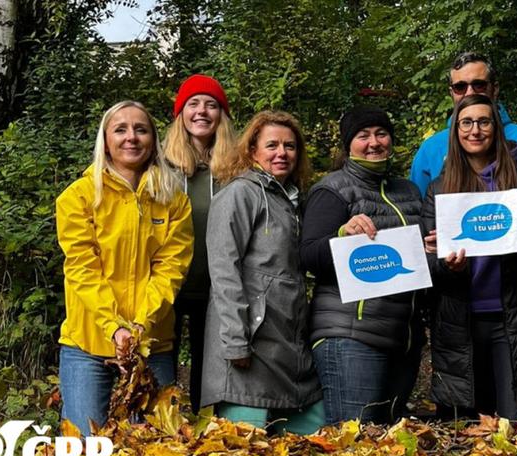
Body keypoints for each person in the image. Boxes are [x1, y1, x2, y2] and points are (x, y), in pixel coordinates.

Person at [421, 94, 517, 422]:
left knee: (514, 423)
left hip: (513, 316)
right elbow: (430, 261)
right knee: (465, 424)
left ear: (496, 128)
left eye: (484, 121)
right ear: (456, 131)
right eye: (466, 123)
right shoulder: (440, 188)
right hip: (460, 320)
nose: (475, 130)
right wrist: (446, 263)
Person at [56, 100, 193, 436]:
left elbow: (171, 269)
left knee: (155, 453)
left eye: (140, 129)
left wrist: (139, 328)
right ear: (106, 140)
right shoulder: (79, 197)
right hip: (86, 345)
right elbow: (82, 270)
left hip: (152, 344)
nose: (131, 137)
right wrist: (114, 327)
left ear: (153, 140)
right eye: (121, 129)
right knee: (85, 454)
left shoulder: (174, 199)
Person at [200, 111, 324, 435]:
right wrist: (235, 341)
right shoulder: (240, 193)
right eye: (272, 145)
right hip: (250, 345)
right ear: (252, 150)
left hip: (288, 344)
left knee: (309, 452)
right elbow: (224, 270)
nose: (281, 153)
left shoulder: (292, 200)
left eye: (290, 146)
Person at [300, 105, 423, 424]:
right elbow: (309, 255)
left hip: (402, 338)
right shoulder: (331, 189)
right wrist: (343, 235)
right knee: (354, 447)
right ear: (347, 145)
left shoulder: (408, 191)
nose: (374, 142)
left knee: (389, 445)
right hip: (350, 337)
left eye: (381, 133)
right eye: (363, 135)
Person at [410, 51, 517, 229]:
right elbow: (419, 221)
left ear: (494, 88)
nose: (469, 92)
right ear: (452, 93)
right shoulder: (430, 149)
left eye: (479, 85)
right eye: (460, 87)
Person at [163, 74, 237, 412]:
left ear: (222, 115)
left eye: (211, 104)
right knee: (162, 368)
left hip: (218, 287)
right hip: (169, 284)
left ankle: (205, 434)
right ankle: (158, 434)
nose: (202, 111)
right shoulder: (160, 167)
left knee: (209, 373)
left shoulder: (237, 169)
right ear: (181, 114)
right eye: (193, 104)